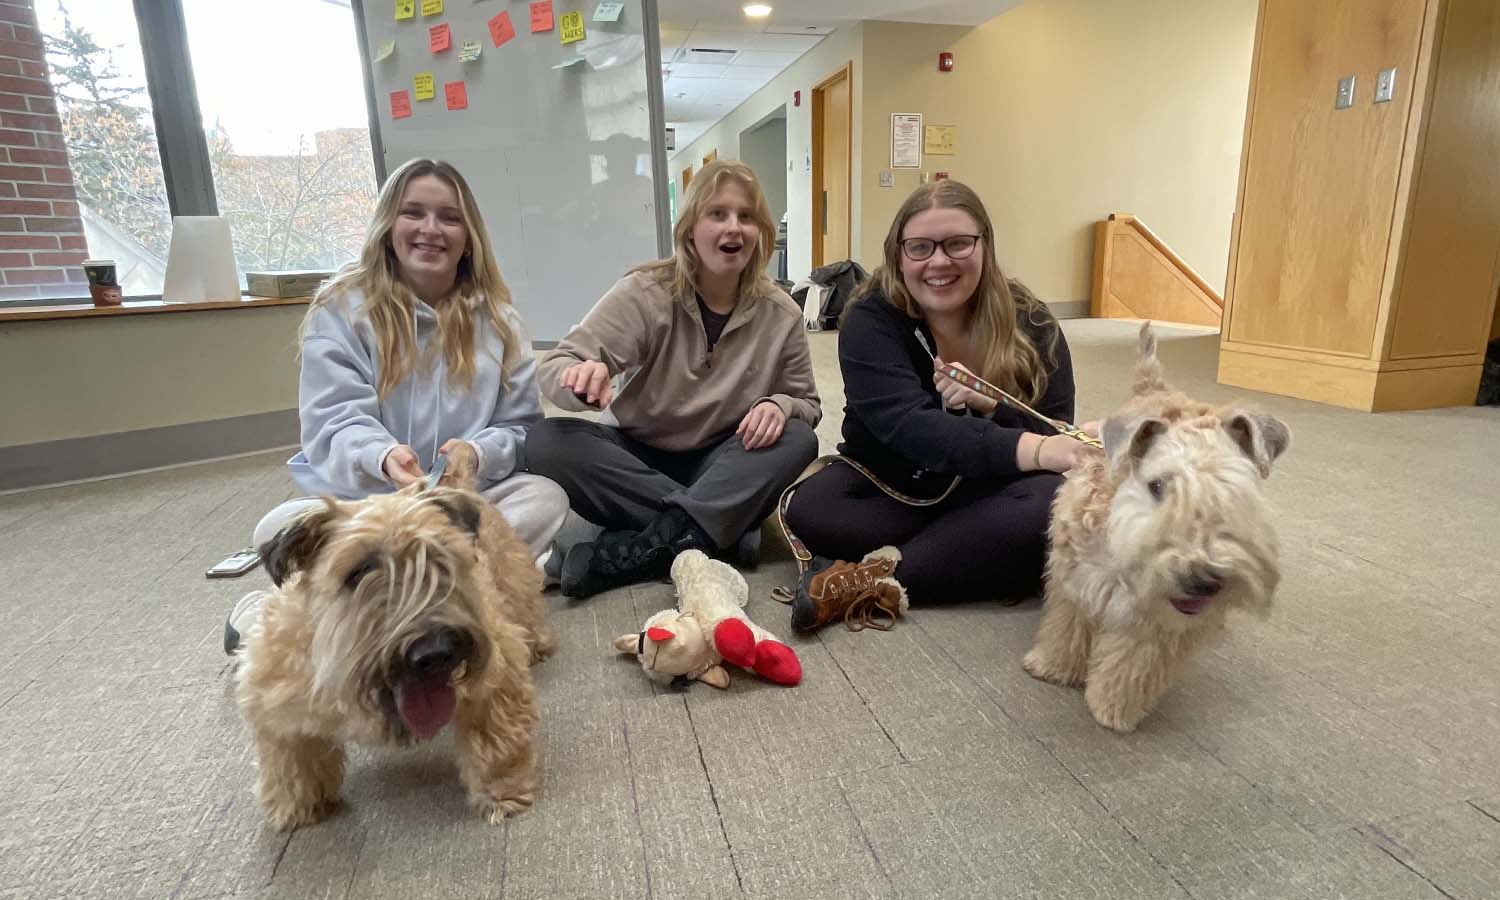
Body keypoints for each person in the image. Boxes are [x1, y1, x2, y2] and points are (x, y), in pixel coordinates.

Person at [225, 158, 569, 652]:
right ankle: (437, 596)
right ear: (389, 226)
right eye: (414, 213)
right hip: (363, 506)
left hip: (457, 506)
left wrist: (476, 453)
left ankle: (372, 606)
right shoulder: (341, 307)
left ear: (469, 236)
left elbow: (519, 427)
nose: (431, 229)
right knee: (277, 529)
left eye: (449, 217)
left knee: (546, 499)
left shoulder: (500, 321)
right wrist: (382, 457)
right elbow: (332, 420)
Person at [781, 179, 1092, 633]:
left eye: (958, 244)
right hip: (897, 478)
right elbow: (907, 428)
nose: (939, 262)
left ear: (984, 245)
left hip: (991, 485)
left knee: (1051, 505)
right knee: (812, 507)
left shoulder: (1033, 319)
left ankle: (871, 582)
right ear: (899, 254)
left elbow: (1056, 431)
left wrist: (993, 410)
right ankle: (965, 554)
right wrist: (1037, 449)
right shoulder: (870, 317)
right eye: (921, 248)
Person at [525, 158, 821, 599]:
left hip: (722, 455)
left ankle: (650, 543)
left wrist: (780, 405)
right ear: (690, 227)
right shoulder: (645, 291)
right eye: (717, 214)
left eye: (746, 216)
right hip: (639, 454)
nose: (733, 228)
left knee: (798, 439)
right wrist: (579, 378)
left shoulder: (782, 313)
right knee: (545, 441)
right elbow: (557, 363)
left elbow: (808, 406)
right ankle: (716, 526)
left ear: (761, 230)